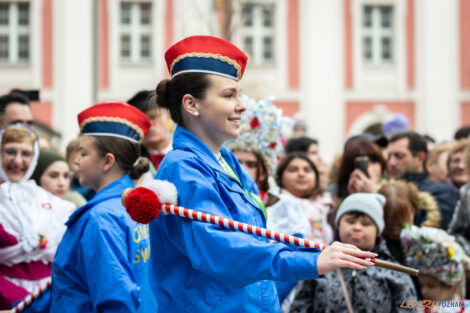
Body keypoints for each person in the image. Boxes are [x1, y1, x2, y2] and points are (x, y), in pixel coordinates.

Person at [149, 35, 376, 313]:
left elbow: (256, 244)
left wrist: (315, 255)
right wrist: (312, 262)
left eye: (239, 94)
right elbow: (222, 253)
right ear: (191, 104)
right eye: (229, 95)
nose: (242, 105)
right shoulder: (183, 167)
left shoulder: (228, 161)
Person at [50, 102, 157, 313]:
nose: (76, 162)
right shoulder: (134, 206)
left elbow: (115, 299)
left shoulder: (101, 218)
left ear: (107, 161)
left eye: (83, 153)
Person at [288, 193, 417, 313]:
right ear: (338, 225)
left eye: (366, 224)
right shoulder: (320, 265)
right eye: (350, 221)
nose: (357, 227)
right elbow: (298, 308)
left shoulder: (396, 272)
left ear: (377, 230)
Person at [0, 124, 74, 310]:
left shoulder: (53, 203)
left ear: (34, 159)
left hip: (49, 294)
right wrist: (22, 300)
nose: (18, 161)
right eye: (10, 151)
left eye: (26, 154)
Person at [226, 94, 291, 205]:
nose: (242, 168)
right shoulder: (220, 200)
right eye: (236, 162)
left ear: (263, 174)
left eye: (251, 165)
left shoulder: (281, 205)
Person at [387, 131, 458, 229]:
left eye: (399, 156)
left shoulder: (442, 192)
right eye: (389, 156)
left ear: (420, 157)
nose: (391, 162)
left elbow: (432, 236)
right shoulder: (383, 187)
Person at [401, 225, 470, 312]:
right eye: (421, 285)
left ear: (450, 285)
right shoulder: (418, 309)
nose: (424, 291)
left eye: (431, 286)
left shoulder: (466, 309)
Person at [127, 90, 172, 171]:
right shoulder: (130, 162)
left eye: (154, 117)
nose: (149, 124)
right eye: (142, 121)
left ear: (168, 116)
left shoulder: (186, 152)